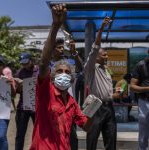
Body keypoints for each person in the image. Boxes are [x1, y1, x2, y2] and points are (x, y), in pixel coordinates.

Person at [29, 4, 92, 150]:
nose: (63, 74)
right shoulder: (45, 92)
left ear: (71, 79)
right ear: (51, 77)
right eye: (59, 71)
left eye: (67, 72)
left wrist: (91, 110)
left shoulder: (71, 103)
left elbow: (87, 127)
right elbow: (44, 63)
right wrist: (55, 26)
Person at [84, 17, 117, 150]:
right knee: (91, 140)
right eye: (104, 55)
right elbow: (95, 47)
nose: (106, 57)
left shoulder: (106, 70)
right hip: (95, 106)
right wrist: (101, 29)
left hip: (109, 107)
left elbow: (106, 93)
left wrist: (115, 95)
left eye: (107, 55)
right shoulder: (91, 67)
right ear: (96, 56)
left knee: (111, 140)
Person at [15, 52, 38, 150]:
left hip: (36, 106)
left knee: (39, 133)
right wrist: (19, 86)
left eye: (26, 63)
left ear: (31, 60)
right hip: (23, 106)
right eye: (22, 63)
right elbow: (17, 91)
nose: (24, 65)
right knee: (20, 134)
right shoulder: (19, 72)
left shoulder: (39, 70)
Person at [130, 51, 149, 150]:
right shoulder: (141, 65)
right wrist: (147, 89)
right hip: (145, 102)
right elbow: (132, 87)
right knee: (144, 133)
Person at [0, 55, 16, 150]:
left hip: (2, 113)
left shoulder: (7, 79)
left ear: (3, 66)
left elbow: (13, 95)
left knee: (1, 136)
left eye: (0, 64)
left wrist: (10, 85)